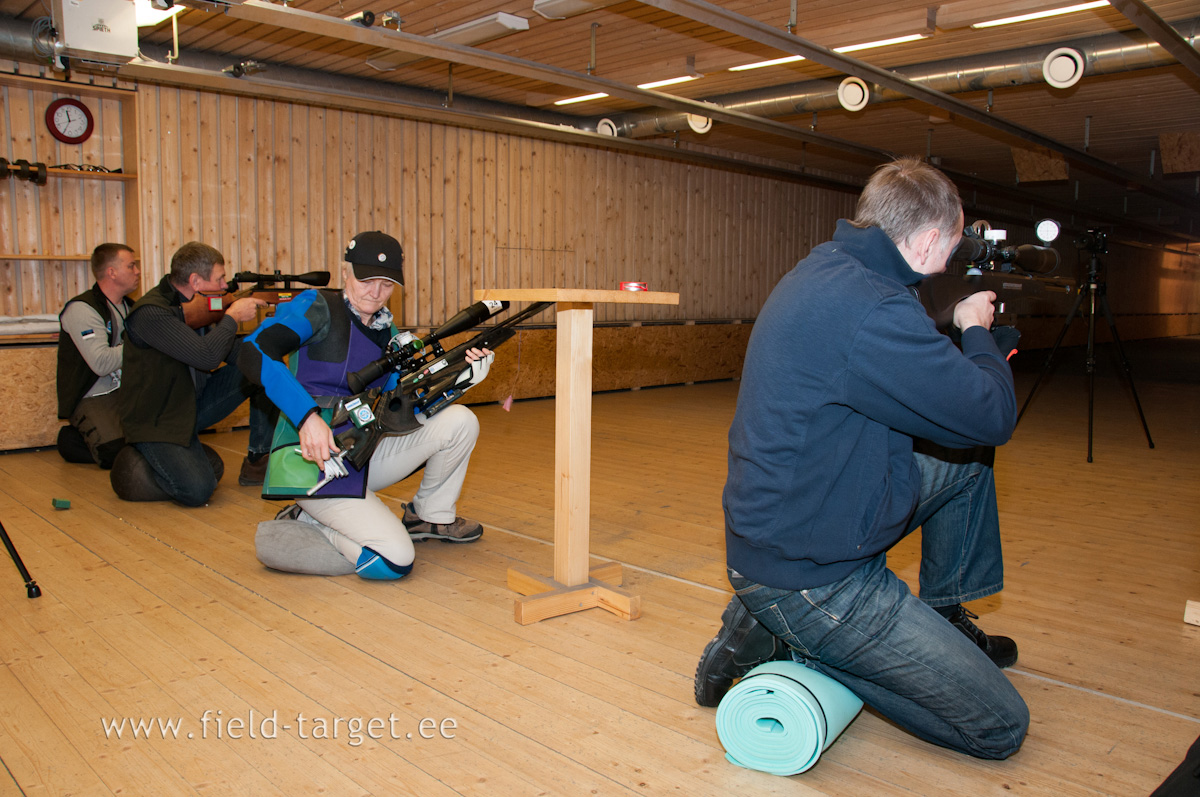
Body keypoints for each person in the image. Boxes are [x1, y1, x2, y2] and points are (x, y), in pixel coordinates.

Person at [695, 158, 1030, 760]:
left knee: (965, 464)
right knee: (1000, 726)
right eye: (951, 249)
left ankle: (943, 614)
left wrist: (950, 327)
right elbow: (990, 414)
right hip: (812, 574)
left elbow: (894, 363)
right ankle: (794, 639)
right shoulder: (873, 307)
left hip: (798, 519)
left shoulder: (828, 267)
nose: (951, 262)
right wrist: (977, 331)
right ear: (929, 240)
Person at [240, 231, 492, 580]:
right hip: (312, 460)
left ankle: (429, 516)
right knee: (393, 562)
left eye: (386, 284)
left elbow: (401, 409)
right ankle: (310, 519)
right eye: (366, 279)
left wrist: (462, 380)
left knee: (460, 421)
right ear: (346, 272)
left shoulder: (388, 334)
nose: (375, 292)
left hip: (360, 451)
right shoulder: (317, 306)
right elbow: (254, 349)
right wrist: (306, 417)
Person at [113, 241, 275, 506]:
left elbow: (233, 354)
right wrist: (232, 318)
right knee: (197, 491)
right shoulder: (151, 313)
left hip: (189, 405)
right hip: (157, 421)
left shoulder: (197, 306)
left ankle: (258, 460)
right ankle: (138, 462)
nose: (225, 286)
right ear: (196, 280)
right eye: (220, 279)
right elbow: (206, 356)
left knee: (262, 368)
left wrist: (272, 335)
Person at [55, 243, 140, 469]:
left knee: (155, 440)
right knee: (116, 455)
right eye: (131, 266)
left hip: (126, 390)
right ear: (111, 272)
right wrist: (142, 344)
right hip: (93, 394)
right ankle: (71, 440)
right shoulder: (82, 309)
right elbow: (101, 363)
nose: (137, 271)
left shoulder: (132, 308)